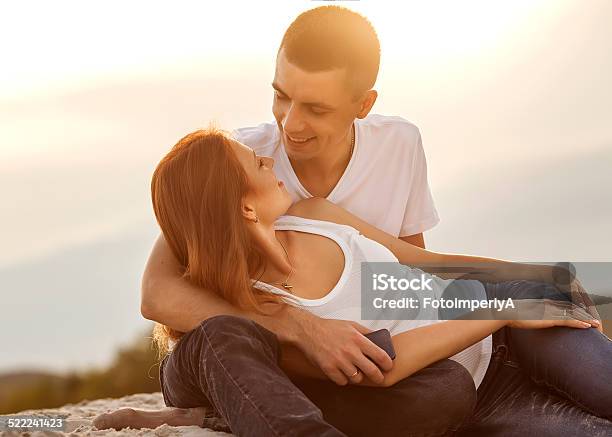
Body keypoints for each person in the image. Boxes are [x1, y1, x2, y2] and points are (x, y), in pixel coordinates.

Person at [96, 129, 611, 436]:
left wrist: (528, 278)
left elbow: (420, 262)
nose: (270, 159)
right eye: (256, 163)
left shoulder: (315, 214)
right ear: (244, 206)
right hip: (487, 386)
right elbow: (385, 370)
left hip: (511, 326)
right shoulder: (270, 316)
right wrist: (498, 309)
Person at [136, 6, 477, 435]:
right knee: (227, 336)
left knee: (444, 389)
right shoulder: (236, 158)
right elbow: (157, 293)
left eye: (315, 107)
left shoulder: (398, 145)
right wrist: (299, 327)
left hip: (316, 372)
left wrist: (541, 287)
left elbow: (413, 274)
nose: (290, 124)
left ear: (363, 104)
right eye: (281, 95)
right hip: (228, 358)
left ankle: (234, 415)